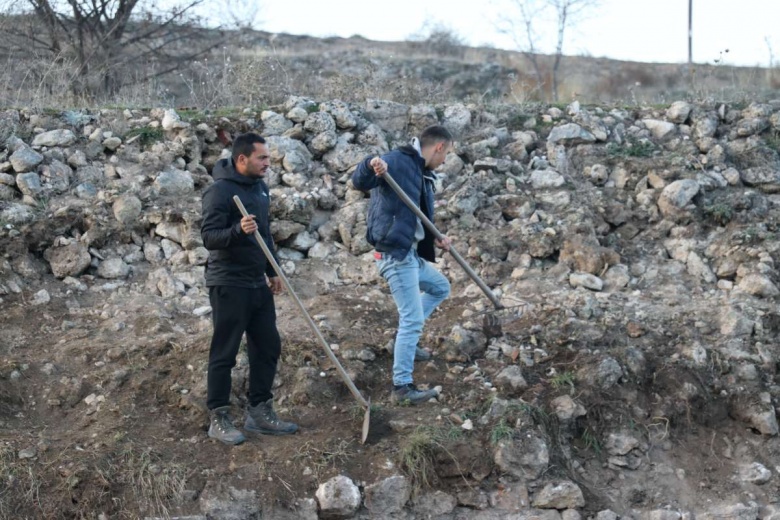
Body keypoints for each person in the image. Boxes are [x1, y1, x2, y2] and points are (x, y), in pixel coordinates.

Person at [201, 132, 298, 445]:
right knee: (225, 352)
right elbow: (209, 237)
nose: (268, 163)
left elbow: (266, 234)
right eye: (262, 158)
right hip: (228, 283)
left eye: (268, 158)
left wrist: (273, 270)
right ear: (242, 159)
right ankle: (219, 416)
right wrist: (237, 230)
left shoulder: (261, 189)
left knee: (268, 346)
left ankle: (259, 412)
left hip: (257, 282)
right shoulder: (219, 192)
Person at [351, 125, 454, 405]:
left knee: (440, 288)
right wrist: (369, 164)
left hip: (410, 256)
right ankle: (402, 388)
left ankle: (407, 344)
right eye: (446, 155)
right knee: (411, 319)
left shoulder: (422, 172)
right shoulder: (395, 161)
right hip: (394, 256)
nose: (444, 161)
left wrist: (437, 238)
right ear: (439, 147)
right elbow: (358, 182)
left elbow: (417, 217)